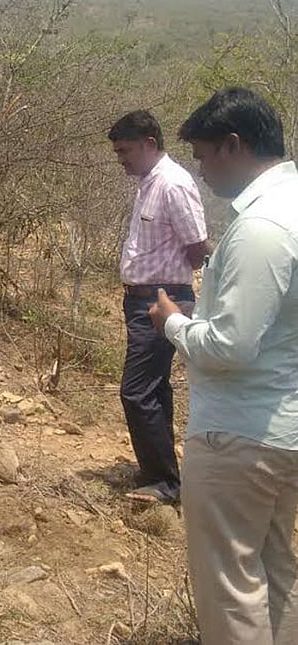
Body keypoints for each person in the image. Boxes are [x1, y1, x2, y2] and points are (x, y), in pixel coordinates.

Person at [150, 87, 298, 645]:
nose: (203, 172)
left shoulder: (261, 228)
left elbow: (232, 347)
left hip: (239, 435)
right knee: (275, 573)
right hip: (279, 430)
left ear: (233, 145)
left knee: (230, 589)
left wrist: (172, 322)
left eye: (206, 155)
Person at [107, 110, 211, 504]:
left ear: (149, 144)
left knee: (136, 391)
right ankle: (161, 473)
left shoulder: (173, 183)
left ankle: (164, 482)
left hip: (162, 299)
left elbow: (197, 247)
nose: (121, 158)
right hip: (142, 297)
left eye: (126, 150)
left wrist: (170, 297)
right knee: (153, 388)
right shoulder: (148, 182)